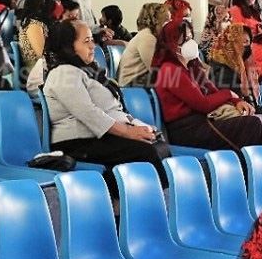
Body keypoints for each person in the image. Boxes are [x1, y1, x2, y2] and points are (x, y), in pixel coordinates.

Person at [42, 21, 170, 177]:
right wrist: (129, 132)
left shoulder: (87, 71)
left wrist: (137, 125)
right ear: (68, 46)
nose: (93, 46)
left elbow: (113, 108)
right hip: (78, 143)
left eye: (92, 40)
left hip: (100, 137)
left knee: (160, 146)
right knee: (145, 152)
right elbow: (88, 113)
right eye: (86, 41)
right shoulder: (63, 73)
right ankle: (157, 191)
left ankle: (161, 190)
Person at [152, 18, 262, 150]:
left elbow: (212, 90)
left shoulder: (191, 65)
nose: (190, 43)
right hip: (186, 129)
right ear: (171, 44)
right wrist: (230, 94)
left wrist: (236, 101)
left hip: (203, 121)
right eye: (185, 40)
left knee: (261, 120)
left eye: (190, 38)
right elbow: (203, 104)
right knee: (254, 124)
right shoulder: (170, 70)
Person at [18, 0, 63, 91]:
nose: (60, 5)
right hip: (39, 77)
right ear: (44, 3)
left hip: (50, 73)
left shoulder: (46, 23)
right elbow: (42, 55)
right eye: (57, 1)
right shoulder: (34, 25)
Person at [117, 2, 170, 88]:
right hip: (131, 85)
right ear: (156, 20)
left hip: (139, 80)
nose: (170, 23)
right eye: (167, 20)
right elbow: (156, 68)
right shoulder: (147, 37)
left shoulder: (152, 36)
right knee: (172, 77)